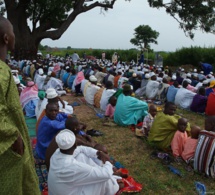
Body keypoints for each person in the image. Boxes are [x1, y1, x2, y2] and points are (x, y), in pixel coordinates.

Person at [0, 16, 40, 194]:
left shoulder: (4, 69)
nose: (15, 36)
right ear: (6, 38)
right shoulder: (1, 71)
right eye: (13, 32)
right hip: (8, 150)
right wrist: (14, 136)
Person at [48, 130, 120, 195]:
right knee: (103, 179)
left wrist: (98, 153)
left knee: (81, 156)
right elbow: (105, 174)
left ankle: (111, 177)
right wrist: (107, 161)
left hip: (65, 189)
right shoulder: (73, 167)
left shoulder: (57, 153)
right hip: (71, 191)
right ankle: (115, 186)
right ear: (75, 144)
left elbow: (81, 149)